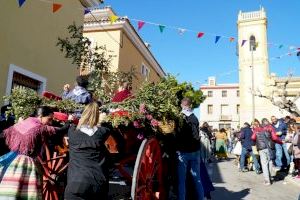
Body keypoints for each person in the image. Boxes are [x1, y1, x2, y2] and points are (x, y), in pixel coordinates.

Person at [0, 106, 70, 199]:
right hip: (27, 163)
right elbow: (61, 130)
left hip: (13, 159)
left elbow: (3, 135)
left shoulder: (20, 124)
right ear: (40, 116)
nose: (50, 122)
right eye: (49, 119)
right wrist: (69, 121)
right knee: (27, 190)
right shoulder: (39, 127)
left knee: (11, 188)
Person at [64, 102, 111, 200]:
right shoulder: (102, 132)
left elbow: (69, 125)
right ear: (97, 116)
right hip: (98, 184)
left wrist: (70, 120)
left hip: (75, 184)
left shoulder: (72, 132)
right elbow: (107, 127)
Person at [175, 97, 204, 200]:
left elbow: (177, 135)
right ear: (190, 105)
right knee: (197, 179)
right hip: (195, 151)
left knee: (182, 181)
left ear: (182, 105)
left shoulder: (180, 117)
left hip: (183, 152)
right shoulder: (195, 117)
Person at [251, 118, 282, 185]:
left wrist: (256, 141)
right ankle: (270, 177)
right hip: (270, 147)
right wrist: (281, 142)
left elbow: (253, 138)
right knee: (270, 162)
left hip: (261, 148)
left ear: (262, 123)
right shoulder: (270, 128)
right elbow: (274, 138)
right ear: (267, 122)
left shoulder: (257, 129)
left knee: (264, 164)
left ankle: (267, 180)